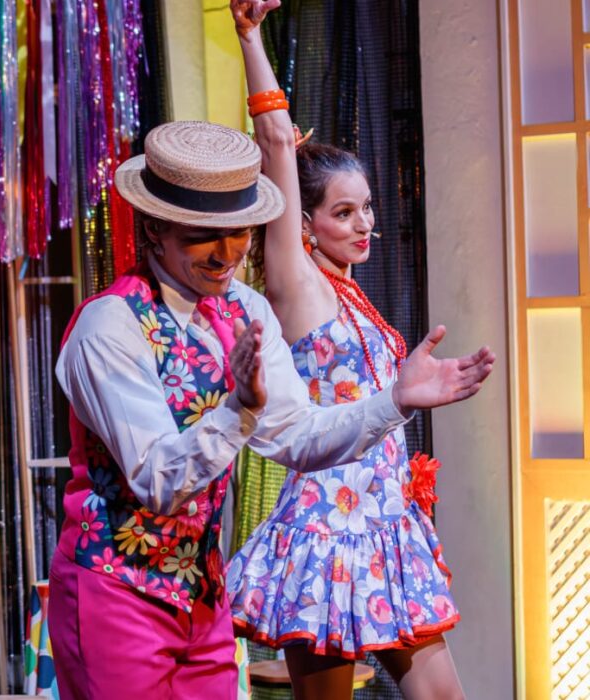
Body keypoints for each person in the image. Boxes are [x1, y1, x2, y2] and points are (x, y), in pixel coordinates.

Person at [46, 124, 494, 698]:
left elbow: (299, 437)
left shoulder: (243, 308)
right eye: (204, 236)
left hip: (201, 597)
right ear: (155, 228)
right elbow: (158, 481)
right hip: (117, 593)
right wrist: (240, 408)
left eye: (239, 232)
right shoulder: (110, 326)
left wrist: (394, 401)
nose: (227, 254)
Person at [224, 2, 467, 698]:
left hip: (387, 525)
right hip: (327, 533)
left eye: (366, 208)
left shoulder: (356, 295)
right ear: (303, 222)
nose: (363, 224)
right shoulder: (298, 283)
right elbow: (277, 141)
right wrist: (250, 37)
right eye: (342, 212)